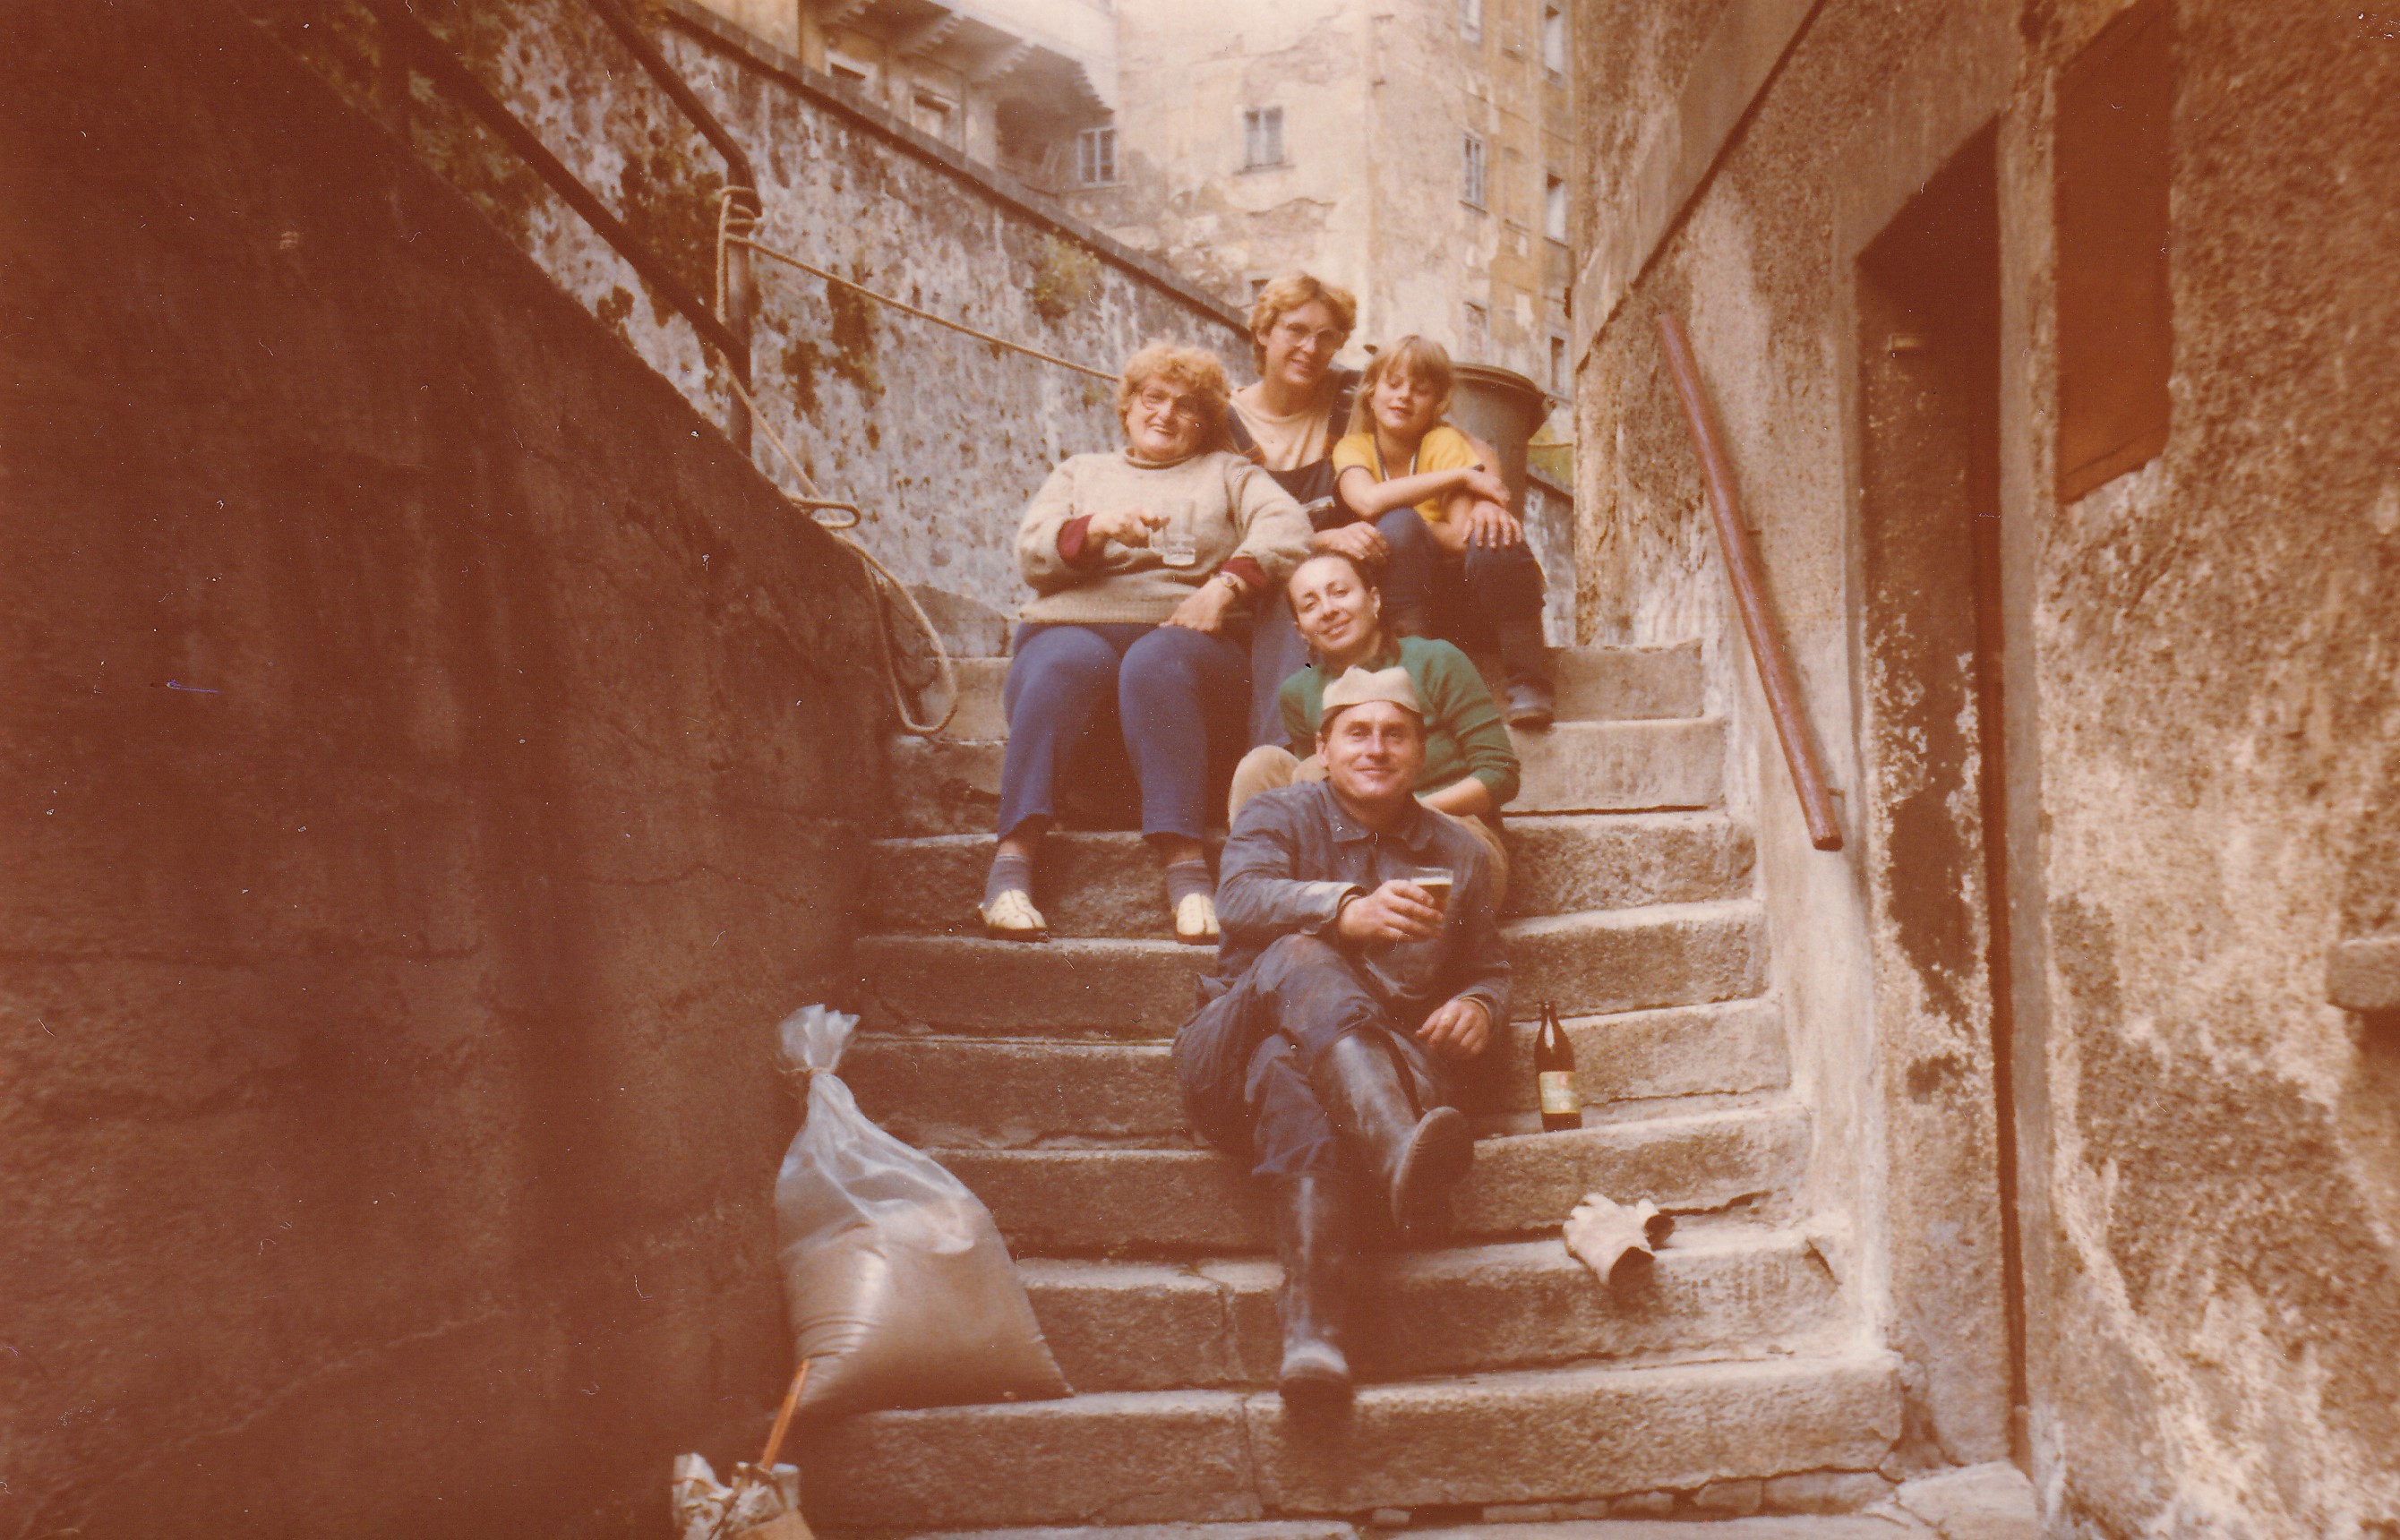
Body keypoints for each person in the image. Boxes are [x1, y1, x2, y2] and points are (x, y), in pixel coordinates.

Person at [1172, 665, 1507, 1408]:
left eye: (1395, 735)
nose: (1376, 749)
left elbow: (1489, 970)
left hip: (1347, 1066)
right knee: (1298, 954)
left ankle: (1313, 1337)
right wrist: (1344, 910)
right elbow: (1239, 897)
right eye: (1357, 733)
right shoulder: (1278, 813)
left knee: (1290, 1073)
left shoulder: (1457, 851)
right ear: (1323, 749)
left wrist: (1480, 1007)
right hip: (1228, 1051)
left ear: (1421, 751)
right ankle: (1393, 1148)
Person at [985, 341, 1312, 945]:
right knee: (1063, 662)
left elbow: (1289, 527)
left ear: (1205, 420)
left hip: (1185, 645)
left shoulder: (1229, 473)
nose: (1165, 414)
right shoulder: (1082, 472)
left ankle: (1187, 871)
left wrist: (1225, 586)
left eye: (1186, 405)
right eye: (1153, 397)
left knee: (1155, 660)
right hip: (1072, 626)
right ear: (1128, 405)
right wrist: (1097, 527)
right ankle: (1010, 867)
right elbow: (1032, 551)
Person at [1228, 551, 1518, 902]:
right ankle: (1255, 888)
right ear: (1300, 630)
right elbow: (1317, 786)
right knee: (1266, 767)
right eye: (1310, 605)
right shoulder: (1298, 692)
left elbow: (1500, 773)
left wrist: (1405, 816)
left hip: (1447, 833)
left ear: (1374, 600)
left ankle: (1338, 904)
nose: (1328, 610)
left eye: (1340, 592)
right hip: (1353, 844)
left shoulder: (1436, 660)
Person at [1332, 335, 1558, 728]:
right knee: (1398, 524)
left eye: (1420, 390)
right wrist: (1458, 477)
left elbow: (1460, 537)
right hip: (1399, 609)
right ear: (1371, 392)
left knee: (1492, 534)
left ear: (1438, 403)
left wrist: (1402, 528)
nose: (1404, 396)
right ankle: (1414, 683)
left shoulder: (1442, 442)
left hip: (1462, 602)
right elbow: (1366, 501)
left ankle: (1528, 682)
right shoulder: (1354, 447)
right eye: (1393, 384)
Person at [1227, 273, 1384, 746]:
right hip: (1260, 579)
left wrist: (1482, 487)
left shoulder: (1355, 396)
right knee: (1293, 587)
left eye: (1326, 336)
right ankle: (1280, 760)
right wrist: (1318, 541)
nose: (1311, 349)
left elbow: (1456, 438)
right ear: (1263, 332)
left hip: (1348, 575)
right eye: (1295, 330)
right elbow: (1216, 530)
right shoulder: (1221, 420)